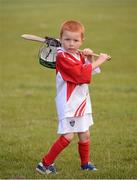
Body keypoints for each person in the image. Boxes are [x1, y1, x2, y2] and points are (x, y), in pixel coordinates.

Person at [36, 20, 110, 174]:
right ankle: (44, 164)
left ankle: (85, 164)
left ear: (82, 41)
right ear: (60, 39)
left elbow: (90, 70)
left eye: (76, 40)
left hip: (81, 101)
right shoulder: (62, 57)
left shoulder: (77, 54)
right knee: (68, 136)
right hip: (69, 103)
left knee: (84, 133)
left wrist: (89, 58)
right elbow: (81, 75)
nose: (71, 44)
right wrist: (101, 59)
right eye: (67, 40)